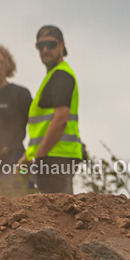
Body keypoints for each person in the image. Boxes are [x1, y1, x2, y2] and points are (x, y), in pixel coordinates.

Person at [16, 25, 82, 194]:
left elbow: (61, 119)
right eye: (41, 45)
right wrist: (28, 157)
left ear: (62, 45)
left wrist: (39, 157)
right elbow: (44, 126)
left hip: (55, 159)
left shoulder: (61, 76)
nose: (45, 49)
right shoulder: (53, 77)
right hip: (50, 158)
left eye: (51, 44)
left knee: (57, 216)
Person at [0, 44, 31, 195]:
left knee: (17, 207)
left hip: (15, 158)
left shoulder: (20, 94)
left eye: (2, 63)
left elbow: (38, 124)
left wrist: (29, 156)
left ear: (8, 66)